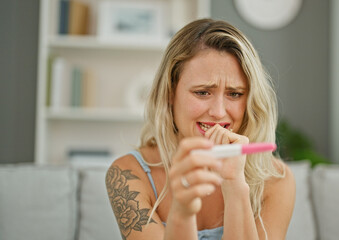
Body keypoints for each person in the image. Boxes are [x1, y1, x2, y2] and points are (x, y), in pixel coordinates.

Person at [105, 18, 295, 240]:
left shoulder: (277, 180)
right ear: (170, 93)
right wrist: (183, 211)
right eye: (203, 92)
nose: (218, 112)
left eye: (235, 94)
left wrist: (235, 185)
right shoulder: (127, 175)